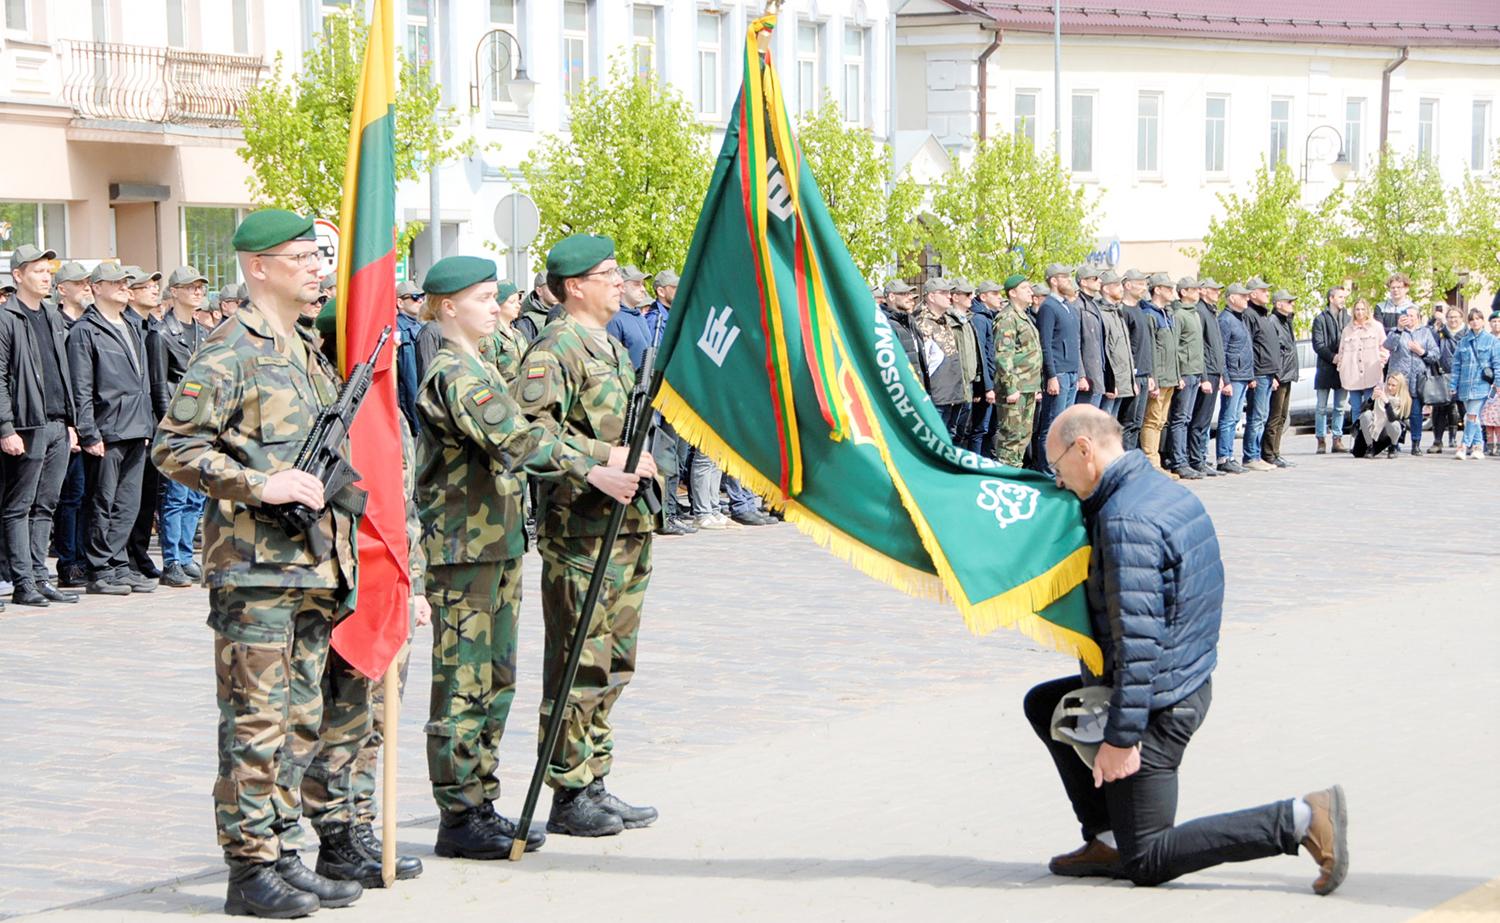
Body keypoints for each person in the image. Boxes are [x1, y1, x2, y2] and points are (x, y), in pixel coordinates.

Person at [1028, 404, 1348, 894]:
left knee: (1149, 858)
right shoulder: (1155, 487)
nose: (1059, 480)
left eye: (1057, 467)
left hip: (1162, 703)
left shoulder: (1124, 521)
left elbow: (1139, 644)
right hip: (1186, 676)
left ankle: (1302, 818)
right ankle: (1108, 836)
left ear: (1084, 450)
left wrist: (1121, 739)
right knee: (1046, 704)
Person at [152, 209, 366, 917]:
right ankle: (249, 870)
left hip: (309, 567)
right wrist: (260, 483)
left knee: (300, 719)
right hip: (254, 573)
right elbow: (175, 446)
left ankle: (282, 849)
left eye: (317, 255)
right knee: (255, 723)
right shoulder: (230, 350)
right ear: (258, 267)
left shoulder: (304, 348)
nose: (316, 267)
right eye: (300, 256)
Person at [412, 255, 641, 858]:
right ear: (447, 307)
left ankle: (480, 803)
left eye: (495, 296)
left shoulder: (482, 361)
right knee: (465, 682)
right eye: (484, 298)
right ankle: (460, 813)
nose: (497, 306)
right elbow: (516, 437)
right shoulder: (452, 372)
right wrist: (593, 467)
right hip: (463, 549)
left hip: (496, 542)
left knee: (495, 681)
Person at [512, 233, 663, 838]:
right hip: (580, 531)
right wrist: (603, 456)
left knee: (613, 661)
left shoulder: (610, 345)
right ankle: (568, 790)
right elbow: (526, 434)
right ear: (575, 286)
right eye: (609, 274)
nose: (620, 284)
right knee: (578, 661)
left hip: (627, 525)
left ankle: (594, 777)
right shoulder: (555, 349)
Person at [297, 302, 428, 889]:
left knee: (375, 717)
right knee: (341, 718)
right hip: (342, 585)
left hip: (388, 584)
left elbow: (405, 513)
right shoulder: (330, 416)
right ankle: (335, 832)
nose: (392, 358)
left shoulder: (386, 417)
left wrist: (414, 583)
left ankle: (362, 824)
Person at [0, 244, 79, 606]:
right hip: (26, 426)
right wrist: (6, 427)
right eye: (38, 271)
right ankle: (22, 582)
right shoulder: (7, 318)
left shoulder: (52, 316)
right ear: (18, 276)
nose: (47, 276)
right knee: (19, 505)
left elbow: (64, 373)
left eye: (49, 271)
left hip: (57, 425)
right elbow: (0, 378)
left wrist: (72, 423)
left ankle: (38, 575)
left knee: (46, 504)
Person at [148, 267, 212, 588]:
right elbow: (160, 385)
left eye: (201, 287)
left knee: (196, 496)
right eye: (190, 287)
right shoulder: (161, 333)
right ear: (174, 292)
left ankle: (186, 556)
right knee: (175, 495)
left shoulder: (202, 332)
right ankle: (171, 559)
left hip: (202, 422)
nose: (197, 292)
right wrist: (169, 428)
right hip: (177, 424)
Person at [50, 261, 93, 589]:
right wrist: (71, 424)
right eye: (79, 283)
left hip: (95, 422)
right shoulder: (57, 324)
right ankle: (68, 562)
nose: (86, 287)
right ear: (62, 289)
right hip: (68, 425)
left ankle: (84, 556)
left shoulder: (91, 324)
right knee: (71, 497)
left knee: (88, 496)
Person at [1033, 263, 1083, 472]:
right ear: (1053, 280)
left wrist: (1079, 374)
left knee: (1064, 425)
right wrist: (1051, 375)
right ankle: (1046, 470)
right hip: (1059, 373)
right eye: (1064, 277)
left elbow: (1075, 342)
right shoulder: (1048, 308)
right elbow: (1046, 343)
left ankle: (1060, 466)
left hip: (1071, 372)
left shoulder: (1068, 307)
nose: (1068, 281)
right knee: (1052, 423)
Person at [991, 274, 1043, 467]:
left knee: (1023, 436)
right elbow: (1003, 356)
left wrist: (1036, 385)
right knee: (1010, 437)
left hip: (1027, 386)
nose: (1031, 292)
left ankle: (1016, 474)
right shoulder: (1007, 318)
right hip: (1015, 388)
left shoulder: (1024, 317)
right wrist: (1010, 388)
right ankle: (1007, 479)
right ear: (1012, 293)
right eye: (1025, 288)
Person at [912, 278, 970, 442]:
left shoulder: (945, 320)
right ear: (931, 296)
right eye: (944, 293)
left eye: (949, 293)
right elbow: (922, 362)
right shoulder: (922, 323)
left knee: (948, 439)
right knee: (934, 440)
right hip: (936, 395)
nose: (949, 297)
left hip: (952, 393)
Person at [1166, 277, 1208, 479]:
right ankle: (1178, 461)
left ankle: (1185, 460)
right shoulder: (1179, 315)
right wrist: (1177, 373)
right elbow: (1174, 347)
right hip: (1184, 372)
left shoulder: (1195, 315)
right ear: (1183, 292)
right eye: (1194, 289)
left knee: (1187, 419)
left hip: (1195, 372)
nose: (1198, 292)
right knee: (1179, 419)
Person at [1383, 306, 1438, 456]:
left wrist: (1421, 351)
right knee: (1394, 414)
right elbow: (1388, 345)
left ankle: (1416, 443)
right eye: (1407, 315)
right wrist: (1399, 330)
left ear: (1418, 318)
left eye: (1413, 316)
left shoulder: (1425, 333)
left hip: (1417, 379)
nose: (1410, 318)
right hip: (1399, 380)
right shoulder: (1396, 331)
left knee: (1415, 414)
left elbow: (1435, 354)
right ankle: (1393, 445)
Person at [1187, 279, 1227, 478]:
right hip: (1206, 372)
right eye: (1214, 290)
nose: (1217, 293)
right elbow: (1200, 348)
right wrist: (1204, 376)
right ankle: (1196, 459)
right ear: (1202, 291)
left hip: (1213, 371)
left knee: (1204, 421)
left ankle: (1200, 457)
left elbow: (1217, 347)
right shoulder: (1200, 312)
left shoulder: (1210, 311)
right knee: (1199, 420)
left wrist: (1221, 375)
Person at [1138, 274, 1178, 473]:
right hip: (1159, 378)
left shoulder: (1166, 313)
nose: (1172, 291)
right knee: (1152, 420)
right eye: (1168, 288)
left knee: (1161, 421)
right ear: (1157, 290)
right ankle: (1151, 462)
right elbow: (1151, 349)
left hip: (1169, 377)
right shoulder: (1149, 315)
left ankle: (1156, 459)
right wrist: (1152, 377)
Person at [1449, 307, 1500, 461]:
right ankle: (1478, 447)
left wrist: (1497, 382)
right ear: (1469, 322)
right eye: (1472, 319)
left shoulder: (1492, 341)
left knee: (1471, 414)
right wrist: (1453, 384)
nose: (1475, 322)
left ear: (1483, 321)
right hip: (1465, 384)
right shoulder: (1463, 341)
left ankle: (1463, 446)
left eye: (1478, 319)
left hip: (1482, 384)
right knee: (1473, 417)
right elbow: (1456, 364)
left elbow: (1497, 363)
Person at [1239, 278, 1279, 472]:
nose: (1267, 294)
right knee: (1256, 416)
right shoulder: (1249, 314)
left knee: (1262, 416)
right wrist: (1252, 374)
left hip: (1268, 373)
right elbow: (1249, 346)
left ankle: (1256, 454)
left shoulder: (1263, 315)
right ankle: (1250, 455)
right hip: (1259, 372)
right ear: (1253, 294)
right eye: (1263, 291)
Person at [1214, 283, 1254, 473]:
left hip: (1243, 375)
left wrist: (1250, 375)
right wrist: (1226, 379)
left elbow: (1246, 349)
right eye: (1243, 295)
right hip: (1233, 375)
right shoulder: (1225, 320)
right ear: (1231, 298)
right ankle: (1223, 457)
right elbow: (1221, 351)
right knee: (1228, 417)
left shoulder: (1241, 319)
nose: (1247, 298)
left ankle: (1230, 454)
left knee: (1236, 417)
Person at [1114, 269, 1155, 450]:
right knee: (1127, 422)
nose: (1143, 287)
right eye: (1139, 283)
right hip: (1133, 375)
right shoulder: (1124, 311)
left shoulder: (1140, 309)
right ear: (1128, 285)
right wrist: (1132, 376)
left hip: (1144, 374)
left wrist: (1150, 374)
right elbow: (1126, 348)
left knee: (1137, 423)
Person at [1261, 290, 1299, 469]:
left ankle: (1276, 452)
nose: (1292, 305)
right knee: (1274, 416)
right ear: (1278, 304)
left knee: (1283, 416)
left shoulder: (1286, 321)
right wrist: (1275, 374)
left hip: (1287, 374)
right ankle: (1268, 453)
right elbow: (1273, 350)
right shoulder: (1273, 322)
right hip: (1279, 375)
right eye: (1288, 302)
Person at [1311, 286, 1350, 454]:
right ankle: (1321, 440)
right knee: (1321, 407)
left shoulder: (1348, 318)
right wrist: (1333, 357)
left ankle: (1337, 439)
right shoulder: (1320, 319)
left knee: (1340, 407)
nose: (1343, 300)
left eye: (1344, 297)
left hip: (1343, 369)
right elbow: (1318, 344)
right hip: (1326, 368)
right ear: (1331, 298)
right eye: (1340, 297)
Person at [1335, 299, 1385, 428]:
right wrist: (1341, 367)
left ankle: (1371, 440)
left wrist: (1382, 362)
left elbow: (1384, 347)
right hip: (1353, 375)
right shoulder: (1347, 330)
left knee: (1370, 408)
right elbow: (1342, 351)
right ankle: (1358, 440)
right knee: (1356, 409)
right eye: (1357, 309)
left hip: (1371, 373)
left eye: (1363, 309)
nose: (1360, 312)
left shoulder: (1376, 327)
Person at [1096, 271, 1134, 420]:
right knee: (1104, 423)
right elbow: (1105, 351)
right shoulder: (1102, 314)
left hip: (1123, 380)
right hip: (1112, 382)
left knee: (1112, 421)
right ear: (1105, 289)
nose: (1121, 288)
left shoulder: (1117, 311)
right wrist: (1111, 383)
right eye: (1116, 285)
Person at [1427, 306, 1466, 454]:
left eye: (1456, 317)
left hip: (1462, 376)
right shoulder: (1440, 333)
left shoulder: (1465, 333)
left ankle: (1467, 442)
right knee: (1439, 410)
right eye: (1450, 317)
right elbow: (1432, 346)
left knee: (1464, 410)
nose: (1453, 320)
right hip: (1442, 375)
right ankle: (1437, 441)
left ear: (1461, 318)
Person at [1352, 374, 1411, 459]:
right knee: (1366, 415)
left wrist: (1387, 403)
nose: (1390, 388)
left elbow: (1393, 418)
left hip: (1386, 435)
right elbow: (1361, 410)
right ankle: (1370, 447)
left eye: (1393, 385)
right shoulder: (1381, 393)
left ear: (1400, 387)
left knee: (1394, 424)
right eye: (1388, 384)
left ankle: (1393, 447)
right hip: (1373, 431)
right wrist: (1371, 398)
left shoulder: (1404, 400)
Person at [394, 279, 425, 434]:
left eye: (421, 296)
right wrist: (417, 420)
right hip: (411, 411)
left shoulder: (420, 326)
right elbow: (409, 379)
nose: (420, 300)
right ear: (400, 302)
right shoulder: (398, 329)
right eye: (414, 297)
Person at [1074, 265, 1106, 409]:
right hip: (1088, 376)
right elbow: (1076, 342)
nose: (1099, 281)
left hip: (1097, 373)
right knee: (1083, 422)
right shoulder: (1078, 306)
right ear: (1083, 282)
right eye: (1094, 278)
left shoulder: (1093, 305)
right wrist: (1081, 376)